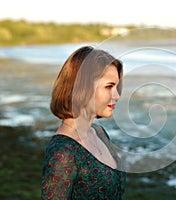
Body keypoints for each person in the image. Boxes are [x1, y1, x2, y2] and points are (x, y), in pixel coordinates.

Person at [41, 46, 126, 199]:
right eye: (109, 87)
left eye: (116, 86)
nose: (117, 95)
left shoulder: (99, 133)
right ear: (83, 87)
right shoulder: (63, 152)